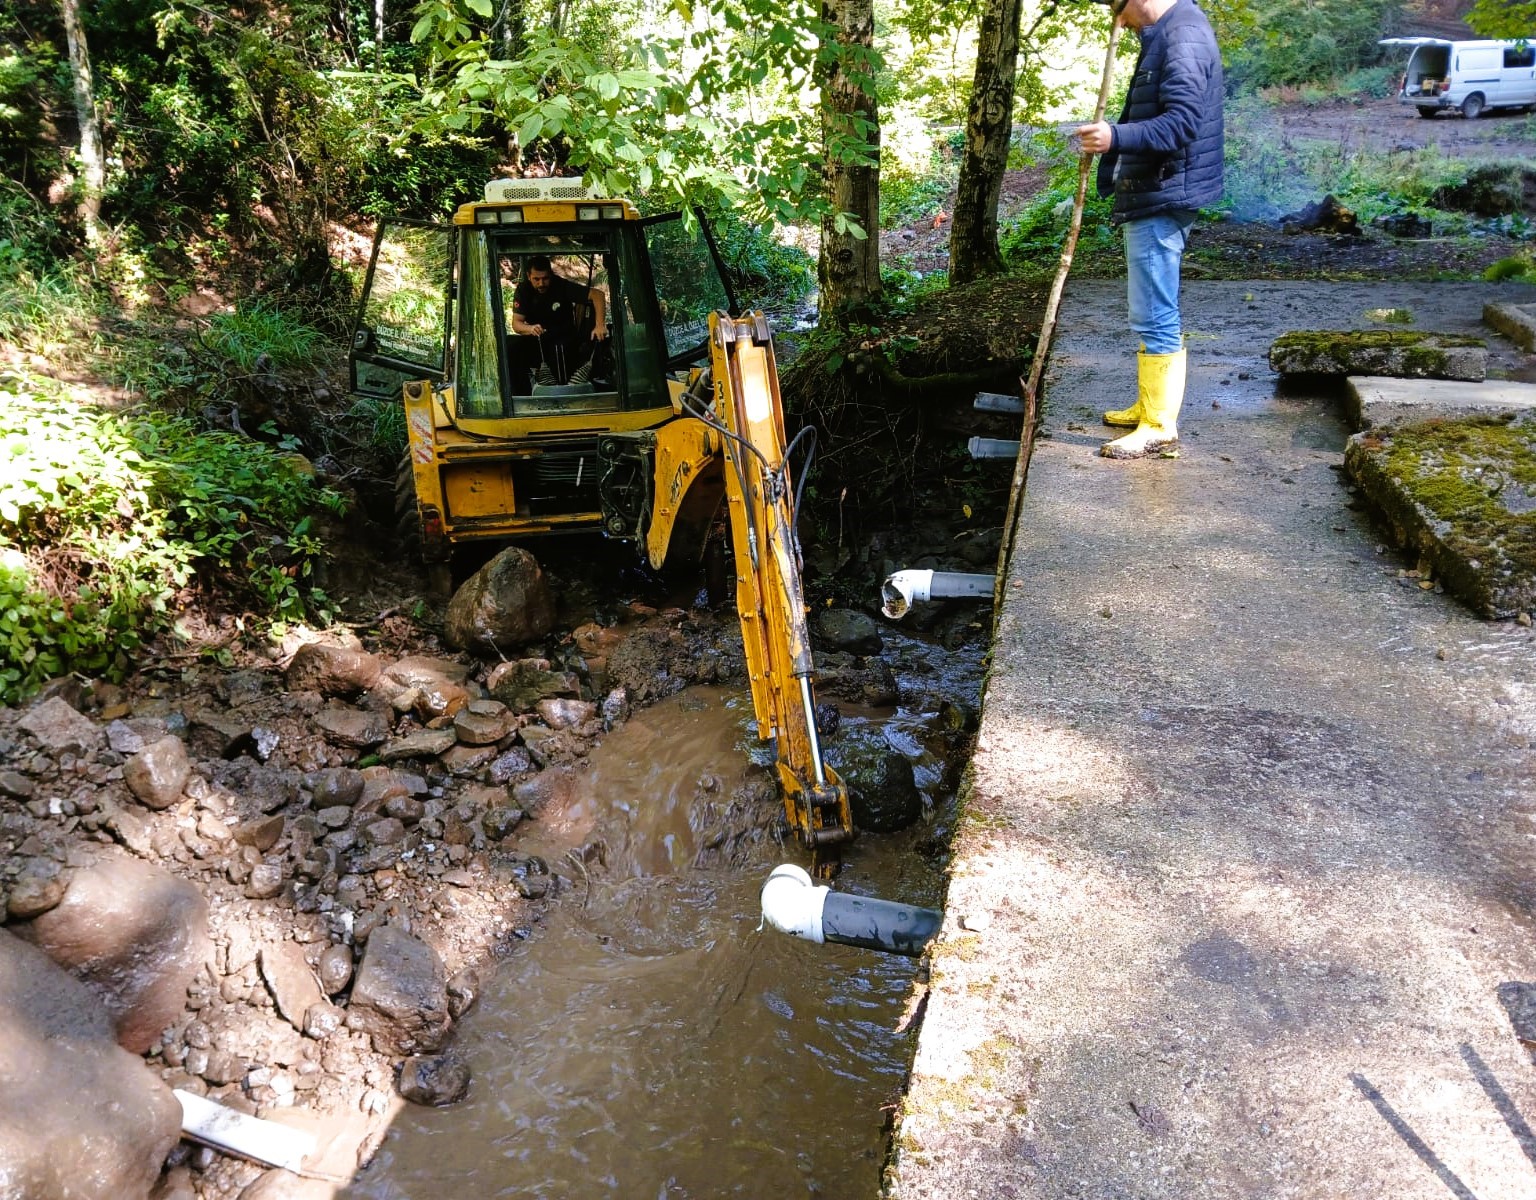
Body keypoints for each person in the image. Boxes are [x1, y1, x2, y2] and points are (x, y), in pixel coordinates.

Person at [1076, 0, 1223, 459]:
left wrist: (1115, 138)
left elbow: (1181, 123)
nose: (1118, 20)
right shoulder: (1168, 31)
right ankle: (1149, 405)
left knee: (1155, 308)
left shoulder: (1183, 35)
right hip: (1158, 190)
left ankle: (1160, 424)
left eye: (1117, 7)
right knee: (1150, 306)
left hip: (1164, 193)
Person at [509, 256, 609, 385]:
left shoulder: (561, 286)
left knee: (559, 349)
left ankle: (563, 390)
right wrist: (530, 328)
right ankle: (521, 394)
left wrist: (600, 325)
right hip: (537, 336)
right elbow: (516, 324)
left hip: (563, 336)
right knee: (511, 345)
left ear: (550, 275)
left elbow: (597, 295)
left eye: (545, 278)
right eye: (536, 279)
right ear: (529, 276)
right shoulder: (523, 291)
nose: (541, 283)